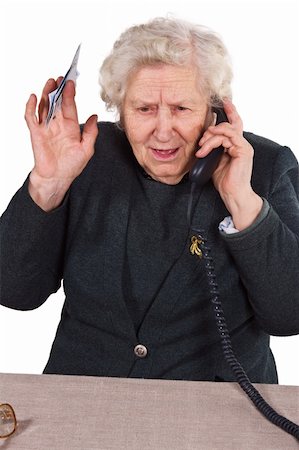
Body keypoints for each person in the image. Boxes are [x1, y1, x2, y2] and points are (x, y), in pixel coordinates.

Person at [0, 17, 298, 382]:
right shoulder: (83, 156)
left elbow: (290, 316)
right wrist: (48, 184)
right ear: (120, 111)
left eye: (181, 109)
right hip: (84, 398)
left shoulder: (265, 165)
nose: (162, 130)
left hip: (219, 411)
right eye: (144, 109)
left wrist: (243, 202)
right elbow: (13, 292)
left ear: (213, 110)